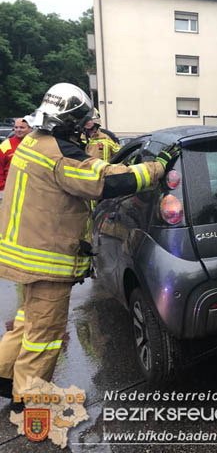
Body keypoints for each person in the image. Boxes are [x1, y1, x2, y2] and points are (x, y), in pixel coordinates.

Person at [0, 83, 180, 412]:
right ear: (68, 122)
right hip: (45, 261)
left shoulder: (32, 141)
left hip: (22, 253)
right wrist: (157, 167)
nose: (86, 130)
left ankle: (4, 375)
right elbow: (108, 181)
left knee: (28, 320)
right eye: (82, 123)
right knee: (45, 334)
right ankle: (29, 399)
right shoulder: (60, 153)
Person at [0, 117, 32, 192]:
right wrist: (2, 188)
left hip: (29, 190)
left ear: (30, 128)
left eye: (22, 127)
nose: (18, 130)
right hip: (8, 190)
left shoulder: (36, 144)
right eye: (16, 127)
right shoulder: (6, 145)